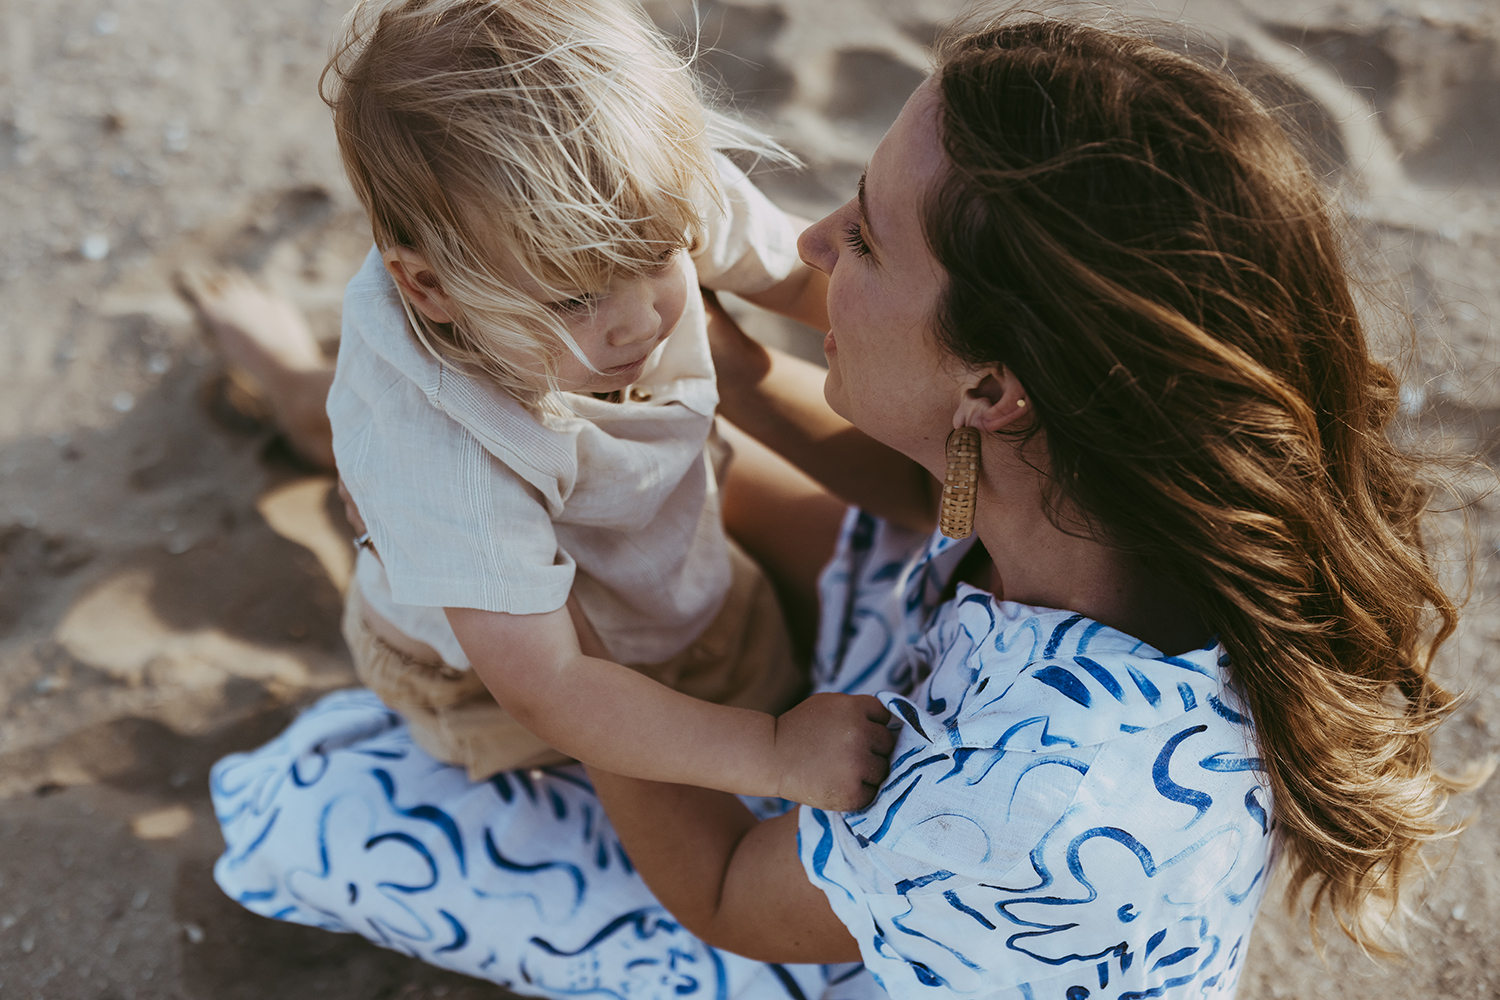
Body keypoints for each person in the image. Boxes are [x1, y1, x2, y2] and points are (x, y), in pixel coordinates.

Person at [211, 11, 1475, 1000]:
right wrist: (721, 400)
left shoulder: (1033, 804)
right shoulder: (1148, 482)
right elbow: (902, 498)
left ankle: (355, 450)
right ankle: (353, 430)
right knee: (550, 480)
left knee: (323, 809)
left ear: (993, 387)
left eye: (864, 239)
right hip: (945, 737)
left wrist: (555, 603)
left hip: (870, 920)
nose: (808, 245)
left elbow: (717, 887)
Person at [283, 0, 895, 810]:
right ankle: (291, 390)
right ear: (428, 287)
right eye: (575, 301)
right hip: (497, 679)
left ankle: (294, 392)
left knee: (755, 658)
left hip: (655, 547)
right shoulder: (442, 447)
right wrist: (777, 752)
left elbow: (802, 277)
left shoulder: (627, 194)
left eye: (660, 258)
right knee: (654, 795)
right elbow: (555, 686)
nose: (641, 318)